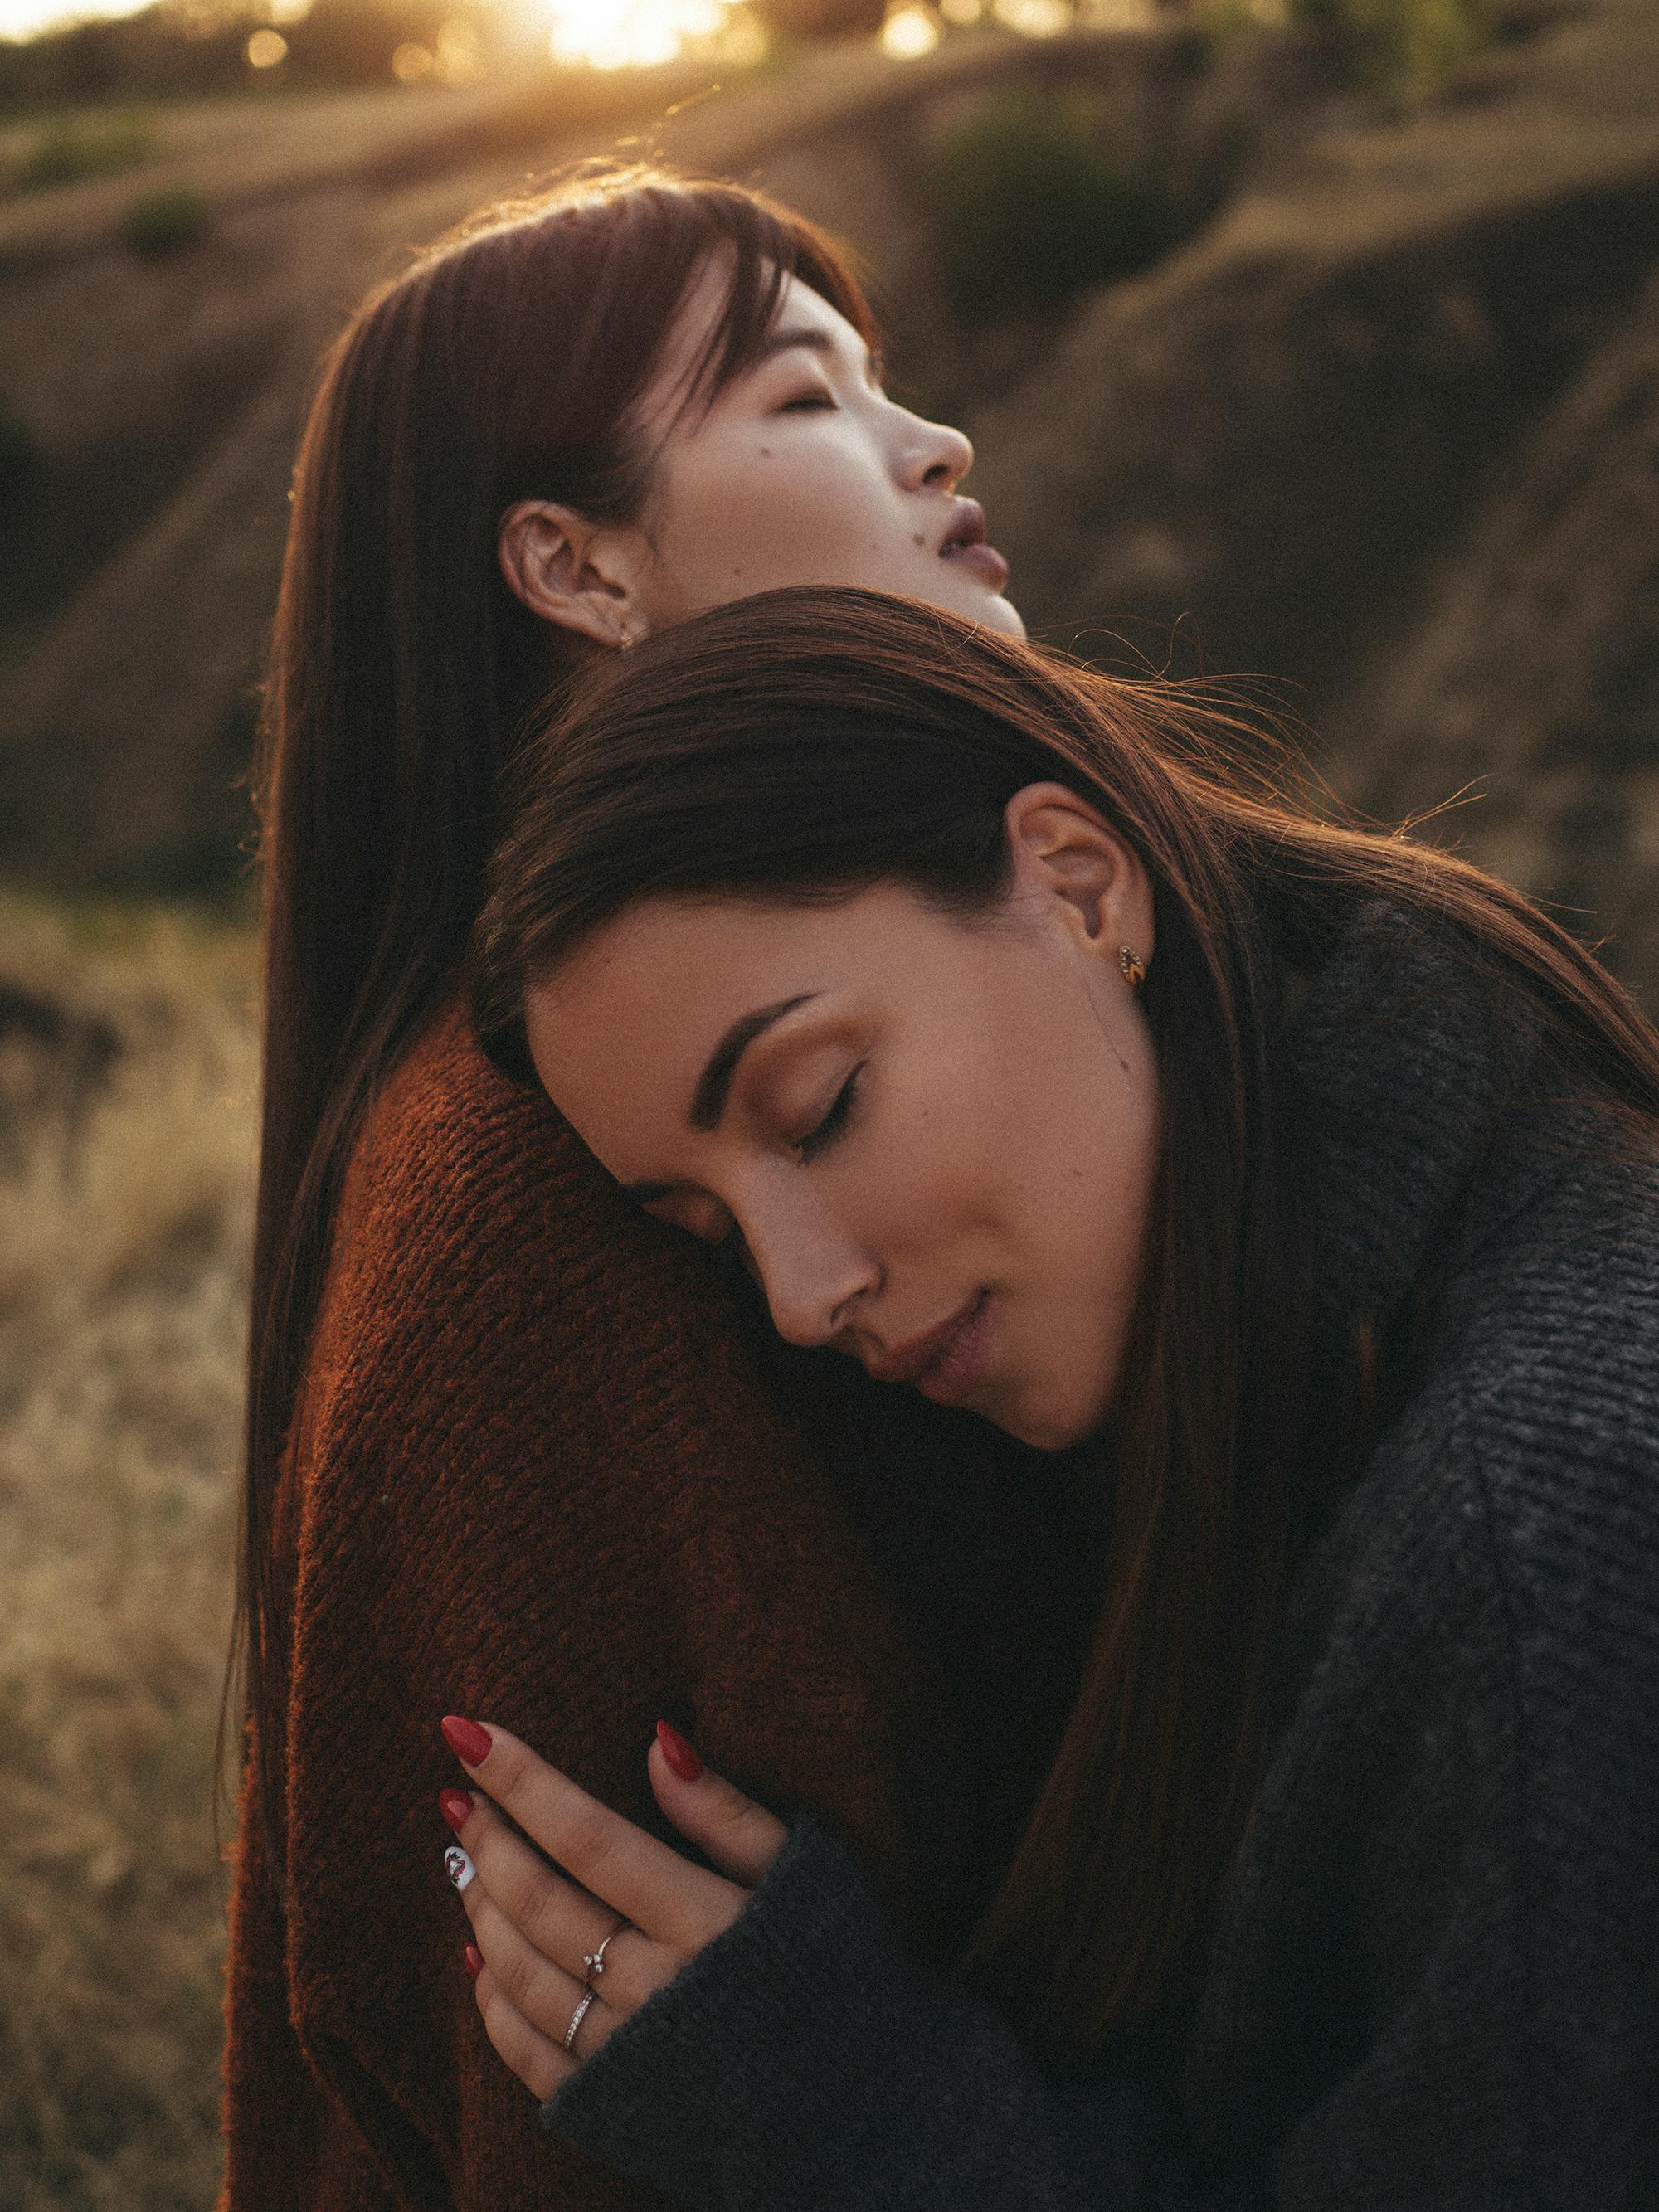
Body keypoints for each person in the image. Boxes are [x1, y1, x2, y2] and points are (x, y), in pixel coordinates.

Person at [434, 586, 1659, 2208]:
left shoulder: (1546, 1533)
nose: (802, 1296)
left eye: (819, 1107)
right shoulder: (1293, 1367)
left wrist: (853, 2114)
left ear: (1080, 885)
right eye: (712, 1228)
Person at [221, 165, 1072, 2212]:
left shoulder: (582, 1095)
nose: (930, 441)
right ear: (576, 568)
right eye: (803, 402)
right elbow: (575, 2101)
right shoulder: (518, 1216)